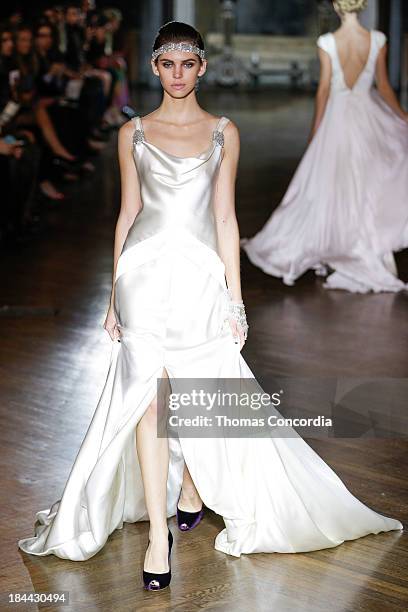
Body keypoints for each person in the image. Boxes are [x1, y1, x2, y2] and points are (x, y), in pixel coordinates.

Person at [18, 21, 403, 592]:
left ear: (201, 68)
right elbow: (127, 215)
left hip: (199, 279)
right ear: (154, 67)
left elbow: (225, 218)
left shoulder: (225, 131)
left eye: (187, 64)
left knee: (192, 395)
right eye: (167, 64)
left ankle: (192, 486)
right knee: (151, 403)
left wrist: (236, 300)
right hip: (143, 278)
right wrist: (111, 294)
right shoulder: (133, 134)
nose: (177, 74)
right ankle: (158, 534)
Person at [241, 0, 408, 293]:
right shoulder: (378, 39)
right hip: (368, 117)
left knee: (332, 184)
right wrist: (404, 117)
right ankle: (362, 242)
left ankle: (341, 242)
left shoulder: (328, 42)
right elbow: (383, 87)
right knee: (365, 182)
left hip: (338, 119)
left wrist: (315, 133)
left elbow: (324, 91)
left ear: (336, 6)